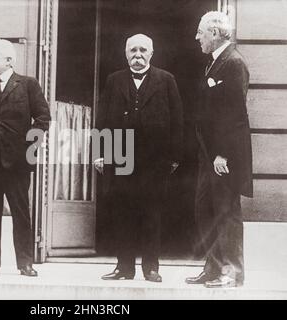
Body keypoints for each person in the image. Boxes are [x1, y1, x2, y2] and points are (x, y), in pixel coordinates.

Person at [95, 34, 183, 282]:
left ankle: (151, 268)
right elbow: (102, 118)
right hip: (121, 157)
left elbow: (178, 120)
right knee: (122, 212)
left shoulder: (166, 80)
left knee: (151, 214)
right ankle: (124, 268)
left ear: (151, 54)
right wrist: (100, 153)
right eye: (133, 50)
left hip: (154, 160)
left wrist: (174, 156)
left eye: (143, 50)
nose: (138, 55)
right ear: (125, 54)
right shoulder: (114, 80)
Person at [0, 39, 50, 277]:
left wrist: (28, 150)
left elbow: (43, 118)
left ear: (9, 60)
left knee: (20, 212)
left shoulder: (27, 85)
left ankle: (25, 263)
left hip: (17, 162)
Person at [185, 11, 253, 288]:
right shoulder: (215, 64)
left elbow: (235, 114)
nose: (197, 37)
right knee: (205, 210)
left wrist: (222, 154)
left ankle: (232, 272)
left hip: (223, 157)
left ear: (214, 33)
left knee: (226, 212)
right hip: (209, 156)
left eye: (201, 32)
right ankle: (213, 267)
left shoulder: (233, 63)